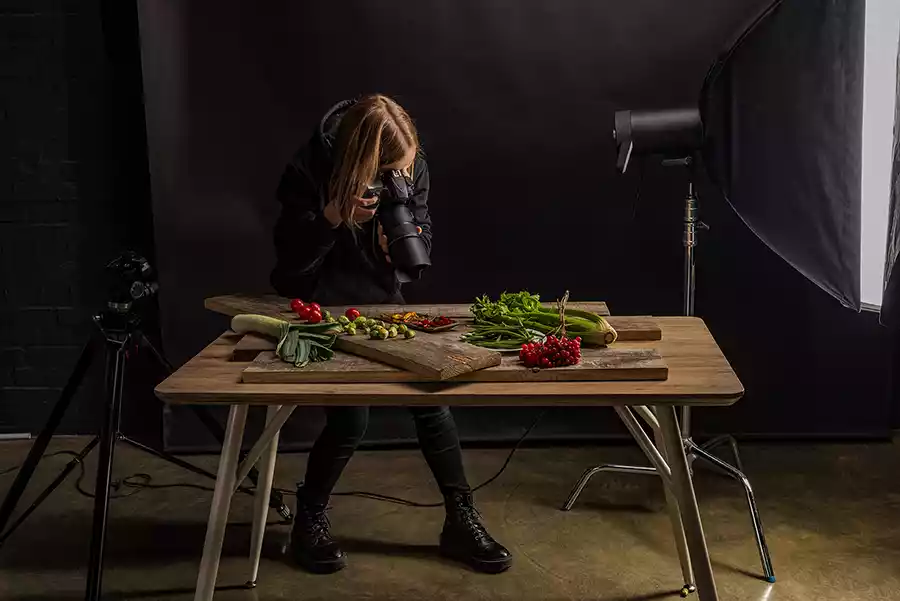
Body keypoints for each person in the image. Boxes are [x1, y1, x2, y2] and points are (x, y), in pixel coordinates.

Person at [270, 94, 512, 575]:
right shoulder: (308, 167)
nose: (402, 176)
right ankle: (310, 520)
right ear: (361, 162)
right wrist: (334, 219)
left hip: (380, 302)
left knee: (431, 401)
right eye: (391, 172)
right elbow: (289, 268)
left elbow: (420, 236)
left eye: (405, 169)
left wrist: (399, 245)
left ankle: (460, 520)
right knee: (349, 423)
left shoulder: (410, 164)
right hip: (320, 304)